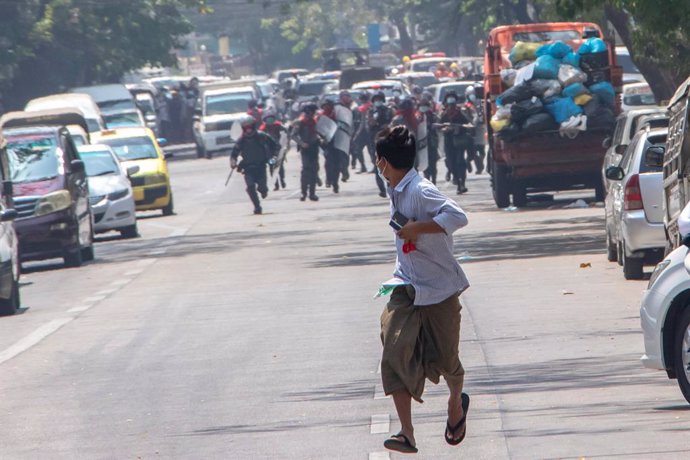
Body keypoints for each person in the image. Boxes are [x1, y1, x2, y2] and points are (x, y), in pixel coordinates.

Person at [375, 125, 470, 454]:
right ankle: (407, 432)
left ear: (383, 162)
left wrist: (419, 227)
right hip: (406, 284)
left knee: (446, 361)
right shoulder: (396, 188)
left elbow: (457, 216)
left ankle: (456, 402)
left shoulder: (419, 189)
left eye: (378, 161)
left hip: (440, 289)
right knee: (394, 351)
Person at [230, 116, 280, 215]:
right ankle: (257, 206)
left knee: (263, 189)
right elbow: (234, 154)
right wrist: (233, 162)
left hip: (261, 166)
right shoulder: (241, 140)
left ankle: (263, 191)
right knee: (250, 187)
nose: (248, 130)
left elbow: (276, 146)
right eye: (246, 128)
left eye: (250, 127)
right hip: (248, 168)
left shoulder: (262, 136)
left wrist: (274, 158)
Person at [439, 91, 473, 194]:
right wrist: (445, 129)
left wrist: (460, 128)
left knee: (460, 162)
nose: (451, 106)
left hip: (459, 141)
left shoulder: (461, 113)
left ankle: (462, 184)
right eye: (449, 102)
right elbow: (439, 126)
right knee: (451, 163)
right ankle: (455, 178)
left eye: (453, 102)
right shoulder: (443, 114)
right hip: (448, 142)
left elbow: (468, 124)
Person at [292, 103, 321, 202]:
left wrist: (321, 139)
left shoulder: (315, 121)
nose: (312, 114)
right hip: (305, 149)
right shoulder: (300, 122)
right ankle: (303, 193)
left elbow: (318, 132)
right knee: (306, 170)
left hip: (314, 147)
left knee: (314, 170)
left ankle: (312, 193)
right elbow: (293, 135)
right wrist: (302, 143)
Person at [368, 92, 394, 198]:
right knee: (377, 166)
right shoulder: (371, 112)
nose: (377, 101)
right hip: (375, 141)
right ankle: (382, 190)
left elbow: (393, 123)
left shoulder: (388, 111)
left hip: (387, 141)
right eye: (375, 99)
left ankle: (389, 186)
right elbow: (368, 125)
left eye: (379, 99)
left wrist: (387, 126)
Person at [318, 97, 344, 193]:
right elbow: (317, 130)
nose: (326, 107)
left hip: (337, 142)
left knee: (337, 164)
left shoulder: (337, 115)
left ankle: (335, 183)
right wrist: (321, 138)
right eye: (324, 106)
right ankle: (329, 179)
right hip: (326, 143)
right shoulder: (320, 116)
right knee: (329, 161)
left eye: (328, 105)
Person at [260, 109, 288, 191]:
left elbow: (286, 133)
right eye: (268, 119)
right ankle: (276, 184)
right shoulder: (263, 129)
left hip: (278, 149)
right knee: (271, 166)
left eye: (271, 119)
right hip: (269, 150)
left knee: (280, 166)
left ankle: (282, 180)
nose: (270, 121)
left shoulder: (278, 126)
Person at [465, 84, 486, 174]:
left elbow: (483, 114)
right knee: (474, 151)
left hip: (481, 129)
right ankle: (479, 167)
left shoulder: (481, 102)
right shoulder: (466, 106)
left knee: (482, 151)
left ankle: (479, 164)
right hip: (471, 130)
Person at [419, 98, 439, 184]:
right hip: (422, 144)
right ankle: (427, 180)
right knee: (425, 164)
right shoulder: (418, 117)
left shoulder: (433, 116)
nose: (423, 108)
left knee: (433, 164)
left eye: (425, 106)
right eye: (422, 106)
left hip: (432, 143)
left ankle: (434, 180)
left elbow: (438, 125)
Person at [351, 92, 372, 173]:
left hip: (364, 132)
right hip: (369, 132)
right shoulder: (370, 106)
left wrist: (356, 134)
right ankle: (367, 166)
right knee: (370, 150)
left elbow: (362, 123)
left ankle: (363, 166)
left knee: (360, 149)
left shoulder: (362, 108)